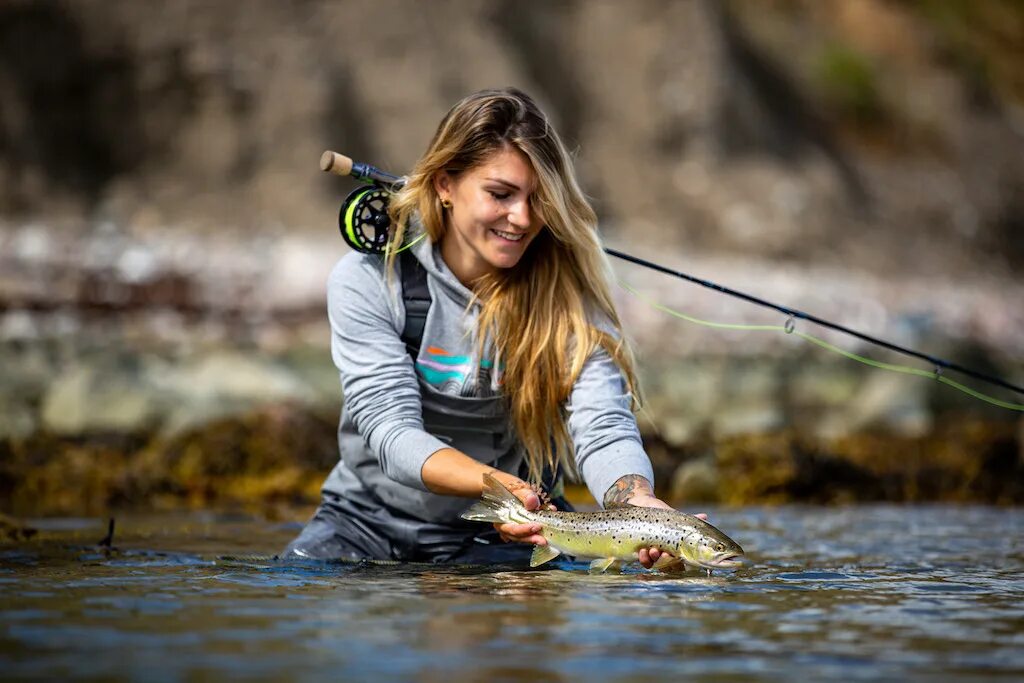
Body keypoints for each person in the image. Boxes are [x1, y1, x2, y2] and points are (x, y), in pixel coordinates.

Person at [283, 87, 682, 567]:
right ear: (446, 186)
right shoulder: (369, 279)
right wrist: (498, 486)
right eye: (501, 194)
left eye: (538, 199)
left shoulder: (570, 298)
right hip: (367, 522)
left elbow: (603, 428)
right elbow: (390, 433)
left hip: (519, 533)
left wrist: (635, 505)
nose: (523, 218)